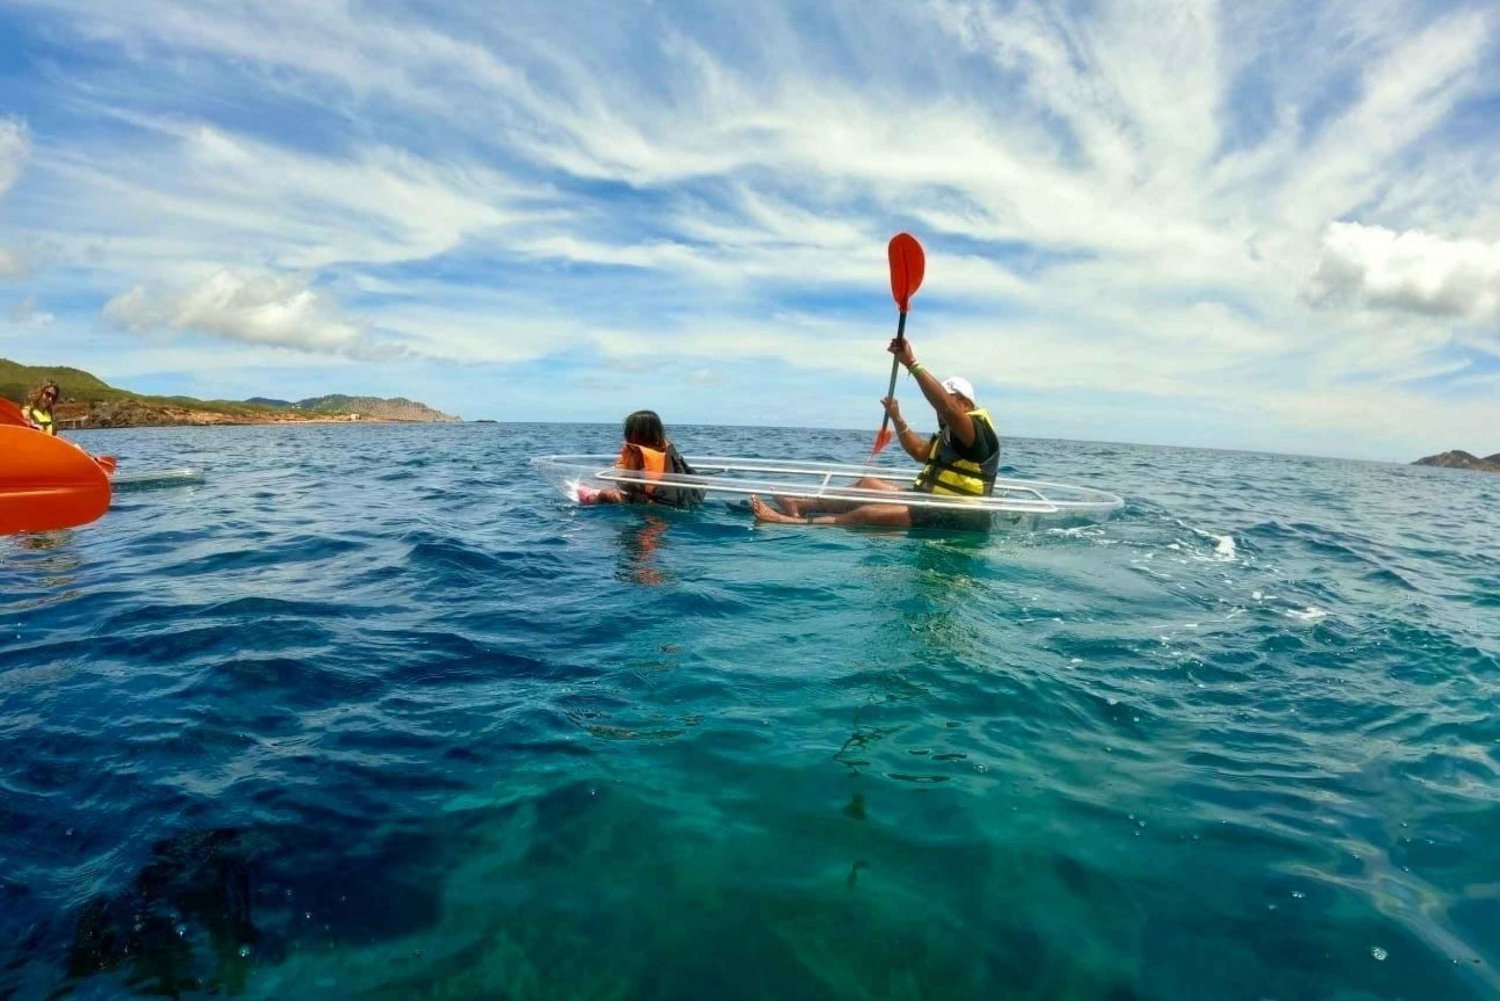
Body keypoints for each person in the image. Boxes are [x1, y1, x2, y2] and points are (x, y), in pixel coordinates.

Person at [750, 337, 1000, 530]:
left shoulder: (977, 433)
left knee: (867, 514)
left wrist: (911, 364)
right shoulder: (950, 434)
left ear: (966, 404)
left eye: (950, 399)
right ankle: (800, 505)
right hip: (928, 501)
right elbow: (918, 452)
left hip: (956, 515)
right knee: (867, 483)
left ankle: (788, 522)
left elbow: (946, 407)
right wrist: (897, 417)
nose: (940, 409)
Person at [577, 410, 704, 508]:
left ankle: (590, 499)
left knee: (606, 494)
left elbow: (629, 485)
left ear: (634, 433)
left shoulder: (637, 453)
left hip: (652, 503)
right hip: (676, 500)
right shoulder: (665, 448)